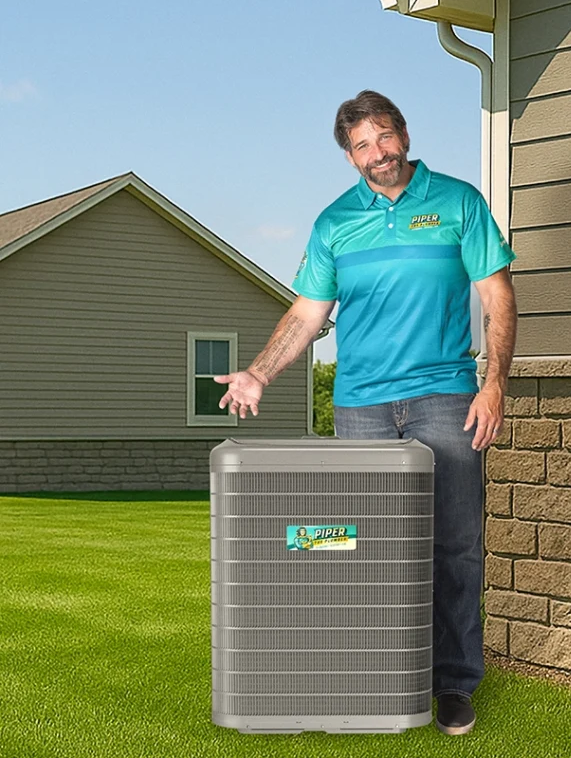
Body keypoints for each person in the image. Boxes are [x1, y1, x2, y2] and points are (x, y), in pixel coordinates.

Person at [213, 89, 517, 736]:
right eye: (361, 145)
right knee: (359, 547)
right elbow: (307, 314)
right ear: (348, 157)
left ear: (403, 134)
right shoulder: (334, 223)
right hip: (362, 406)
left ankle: (455, 683)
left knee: (455, 546)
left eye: (383, 137)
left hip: (444, 396)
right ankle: (375, 677)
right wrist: (258, 372)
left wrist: (493, 386)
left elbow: (497, 297)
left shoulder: (457, 202)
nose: (376, 153)